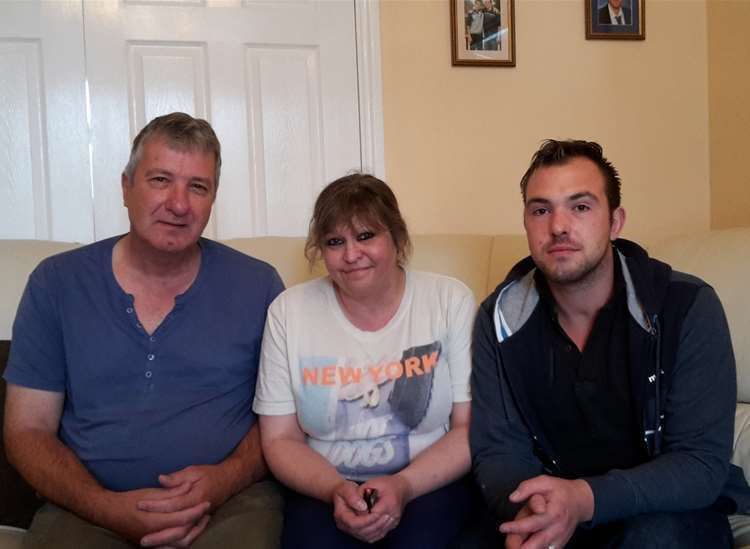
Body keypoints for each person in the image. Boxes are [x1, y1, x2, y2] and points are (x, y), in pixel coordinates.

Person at [3, 112, 285, 548]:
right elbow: (26, 430)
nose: (178, 203)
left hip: (231, 505)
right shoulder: (56, 283)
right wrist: (103, 506)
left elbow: (282, 420)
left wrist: (225, 480)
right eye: (160, 180)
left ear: (212, 199)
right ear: (125, 186)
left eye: (198, 186)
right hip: (86, 508)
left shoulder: (259, 285)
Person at [470, 139, 748, 548]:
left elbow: (698, 465)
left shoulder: (686, 306)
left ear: (615, 221)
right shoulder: (498, 317)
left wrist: (583, 499)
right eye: (541, 210)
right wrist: (537, 511)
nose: (559, 226)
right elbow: (498, 452)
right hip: (552, 508)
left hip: (665, 511)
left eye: (580, 207)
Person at [254, 174, 476, 548]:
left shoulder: (449, 300)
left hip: (427, 482)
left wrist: (404, 485)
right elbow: (280, 439)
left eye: (366, 236)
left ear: (397, 237)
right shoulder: (288, 313)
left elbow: (467, 429)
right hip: (324, 487)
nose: (351, 254)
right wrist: (334, 489)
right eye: (335, 242)